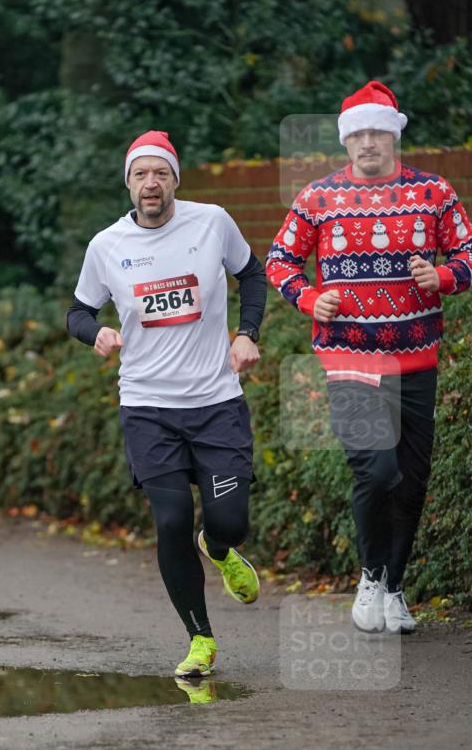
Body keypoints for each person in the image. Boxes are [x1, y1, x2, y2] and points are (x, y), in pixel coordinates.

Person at [266, 81, 472, 633]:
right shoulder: (317, 198)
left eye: (377, 131)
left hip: (417, 356)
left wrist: (447, 276)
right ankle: (370, 576)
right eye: (357, 134)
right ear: (345, 142)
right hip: (349, 357)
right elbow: (280, 261)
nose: (367, 143)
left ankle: (395, 589)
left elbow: (467, 250)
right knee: (376, 468)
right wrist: (310, 297)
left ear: (395, 134)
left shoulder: (434, 193)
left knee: (411, 477)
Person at [67, 130, 267, 677]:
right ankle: (200, 640)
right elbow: (77, 312)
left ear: (175, 178)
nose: (150, 183)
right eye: (140, 174)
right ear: (127, 183)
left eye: (160, 173)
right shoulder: (106, 246)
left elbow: (252, 274)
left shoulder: (212, 222)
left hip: (216, 401)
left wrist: (247, 333)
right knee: (172, 518)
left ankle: (220, 548)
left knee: (230, 522)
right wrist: (97, 335)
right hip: (148, 407)